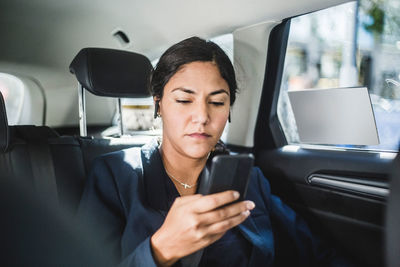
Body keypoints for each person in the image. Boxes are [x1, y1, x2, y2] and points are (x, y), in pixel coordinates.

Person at [77, 37, 348, 267]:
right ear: (158, 104)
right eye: (184, 100)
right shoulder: (115, 176)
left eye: (217, 102)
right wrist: (160, 249)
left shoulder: (249, 179)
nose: (202, 116)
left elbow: (317, 252)